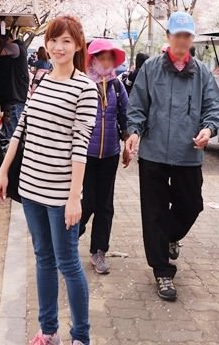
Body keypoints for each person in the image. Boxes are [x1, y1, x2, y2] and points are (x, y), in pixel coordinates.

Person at [0, 16, 98, 345]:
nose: (58, 47)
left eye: (67, 41)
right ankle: (48, 330)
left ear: (78, 46)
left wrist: (74, 196)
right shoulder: (39, 78)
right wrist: (3, 170)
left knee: (68, 263)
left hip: (60, 192)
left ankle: (80, 336)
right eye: (54, 40)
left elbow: (80, 147)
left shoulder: (85, 88)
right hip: (30, 187)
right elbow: (21, 128)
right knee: (43, 258)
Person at [125, 11, 219, 302]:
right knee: (153, 212)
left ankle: (168, 236)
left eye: (187, 35)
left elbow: (214, 107)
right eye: (177, 34)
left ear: (191, 38)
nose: (182, 40)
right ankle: (162, 271)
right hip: (154, 153)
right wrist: (133, 131)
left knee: (192, 205)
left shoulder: (202, 72)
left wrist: (208, 129)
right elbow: (137, 105)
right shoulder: (152, 68)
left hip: (188, 154)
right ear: (169, 37)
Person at [79, 39, 129, 275]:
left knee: (105, 205)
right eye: (102, 58)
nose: (106, 62)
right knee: (85, 203)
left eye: (110, 58)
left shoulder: (117, 86)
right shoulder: (80, 83)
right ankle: (66, 242)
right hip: (84, 155)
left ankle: (99, 251)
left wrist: (128, 144)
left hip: (110, 154)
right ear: (92, 59)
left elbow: (125, 116)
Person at [0, 33, 29, 139]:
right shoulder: (10, 57)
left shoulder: (15, 47)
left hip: (14, 101)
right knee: (11, 134)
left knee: (10, 137)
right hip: (13, 101)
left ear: (5, 38)